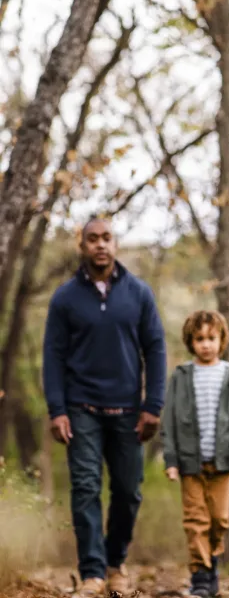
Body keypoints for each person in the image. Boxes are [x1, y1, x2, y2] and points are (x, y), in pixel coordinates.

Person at [43, 216, 166, 597]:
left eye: (107, 238)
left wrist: (153, 405)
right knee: (85, 489)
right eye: (92, 238)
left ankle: (116, 564)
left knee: (129, 492)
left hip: (129, 411)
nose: (100, 244)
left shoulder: (139, 293)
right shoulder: (64, 298)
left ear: (116, 243)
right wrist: (57, 409)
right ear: (82, 245)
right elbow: (53, 356)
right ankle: (93, 572)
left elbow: (156, 349)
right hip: (80, 410)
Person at [161, 310, 229, 598]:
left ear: (222, 340)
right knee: (196, 520)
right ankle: (200, 576)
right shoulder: (181, 376)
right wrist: (171, 460)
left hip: (223, 463)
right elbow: (170, 420)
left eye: (211, 338)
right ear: (191, 342)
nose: (206, 344)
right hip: (190, 464)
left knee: (219, 520)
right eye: (199, 339)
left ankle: (211, 562)